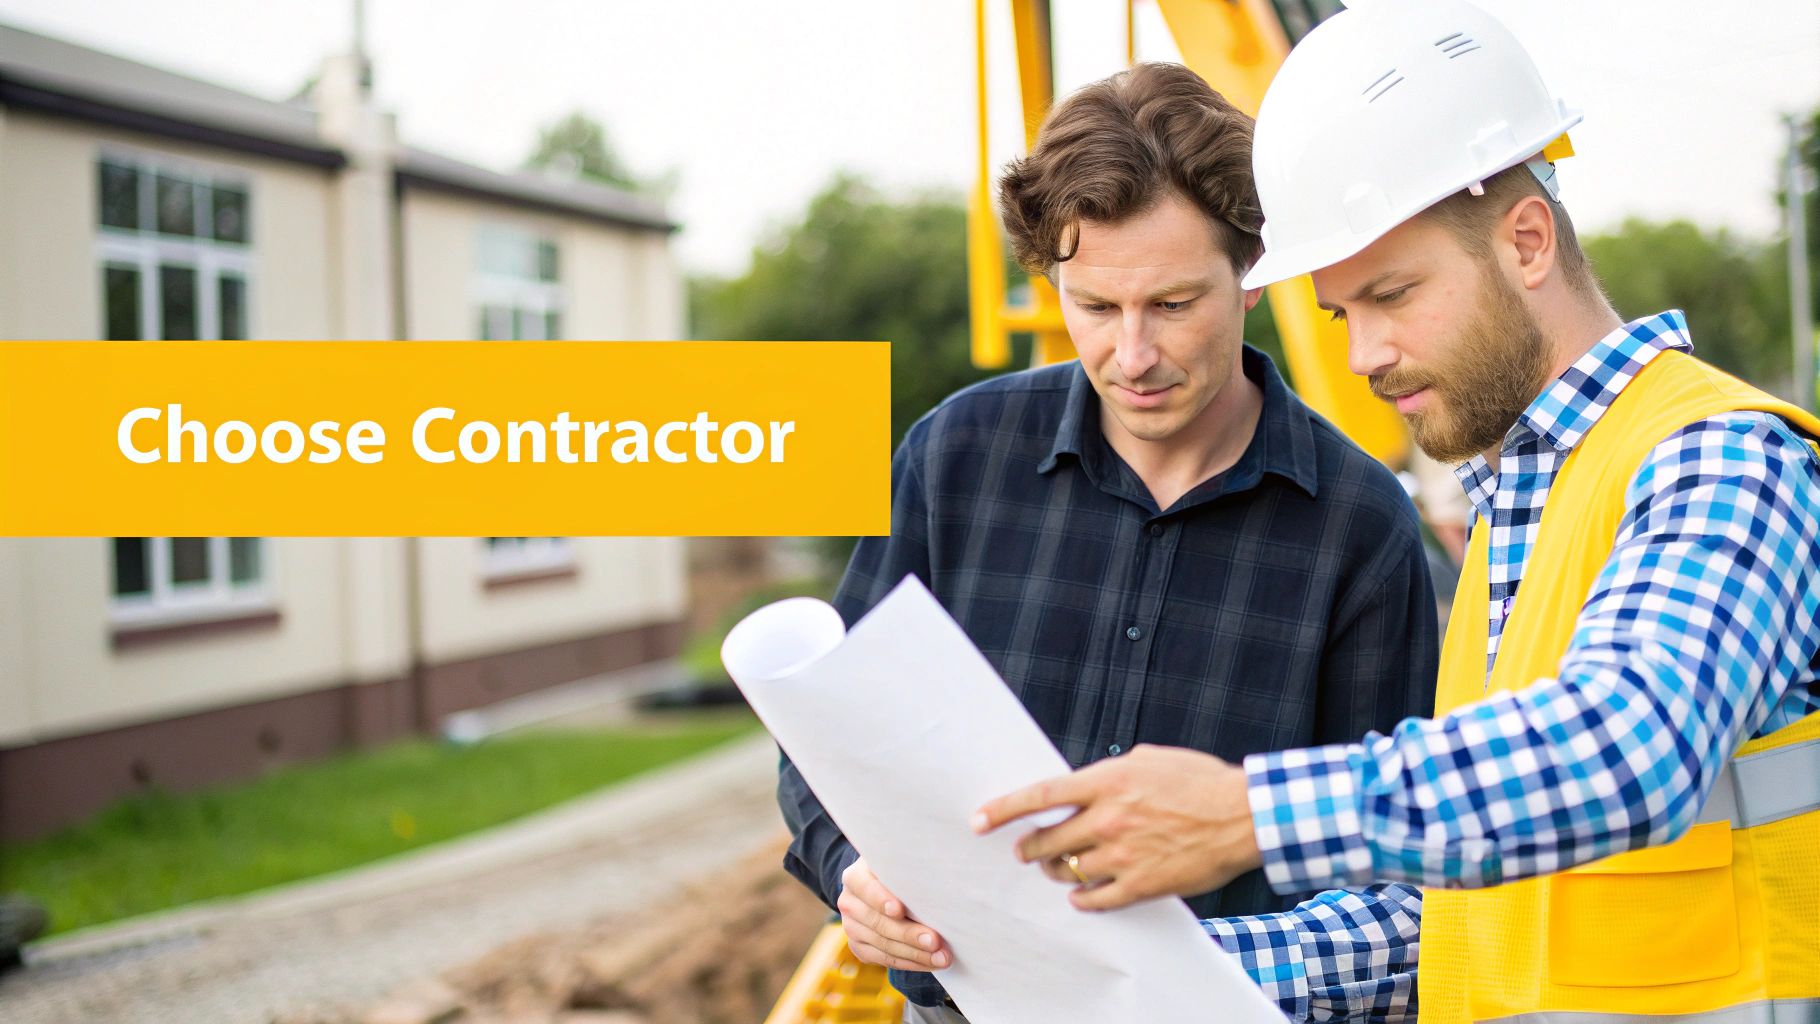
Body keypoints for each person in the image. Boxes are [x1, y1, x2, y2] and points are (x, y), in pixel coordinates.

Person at [974, 2, 1820, 1020]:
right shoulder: (1523, 504)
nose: (1359, 354)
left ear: (1524, 239)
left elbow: (1627, 746)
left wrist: (1246, 815)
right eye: (1339, 312)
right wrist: (1123, 965)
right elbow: (1451, 913)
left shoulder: (1722, 459)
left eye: (1391, 294)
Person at [774, 62, 1439, 1022]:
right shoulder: (954, 456)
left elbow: (1390, 869)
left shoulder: (1359, 524)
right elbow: (830, 740)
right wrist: (854, 874)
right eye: (1094, 307)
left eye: (1171, 305)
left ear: (1253, 276)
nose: (1132, 356)